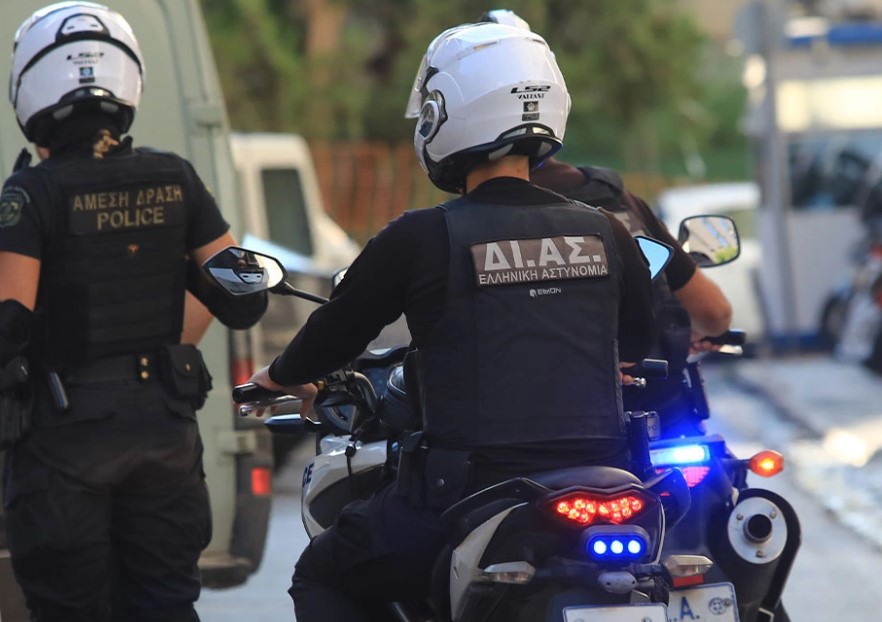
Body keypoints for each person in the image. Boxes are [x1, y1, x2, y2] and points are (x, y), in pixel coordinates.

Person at [244, 22, 655, 621]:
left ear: (446, 113)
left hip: (465, 493)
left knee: (323, 571)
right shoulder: (606, 230)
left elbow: (335, 333)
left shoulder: (423, 236)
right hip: (607, 483)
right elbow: (637, 342)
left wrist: (277, 378)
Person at [0, 3, 268, 620]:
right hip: (164, 435)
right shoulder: (176, 178)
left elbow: (10, 325)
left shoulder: (32, 192)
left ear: (31, 89)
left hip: (65, 442)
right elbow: (245, 296)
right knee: (166, 603)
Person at [475, 10, 732, 434]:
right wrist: (695, 332)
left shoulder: (457, 225)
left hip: (529, 437)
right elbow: (715, 313)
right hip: (657, 420)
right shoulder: (615, 202)